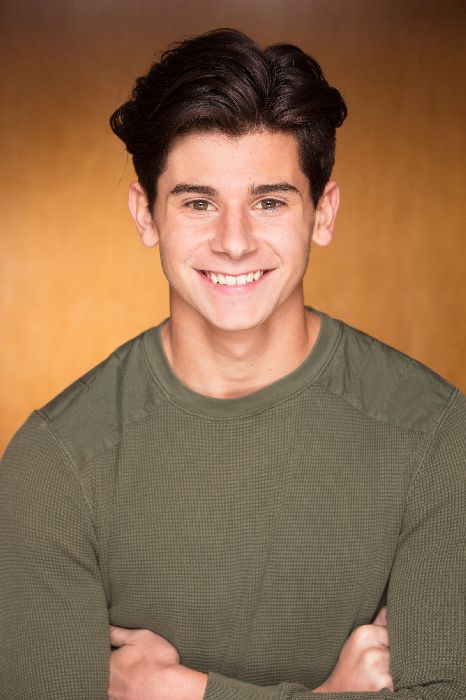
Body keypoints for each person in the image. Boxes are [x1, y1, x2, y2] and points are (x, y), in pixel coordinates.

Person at [0, 28, 464, 700]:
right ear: (146, 215)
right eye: (199, 203)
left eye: (269, 201)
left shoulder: (436, 437)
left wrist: (179, 692)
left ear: (323, 214)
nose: (236, 242)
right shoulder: (56, 463)